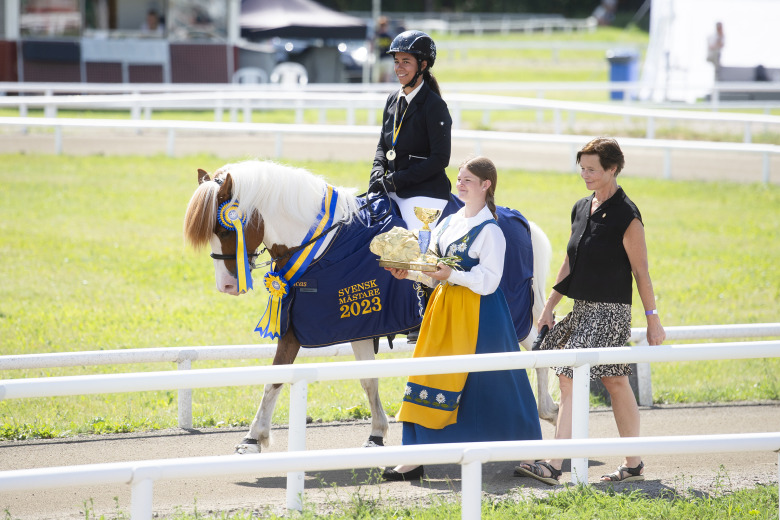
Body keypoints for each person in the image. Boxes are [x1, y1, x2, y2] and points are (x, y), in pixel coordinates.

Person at [381, 156, 543, 481]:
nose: (460, 184)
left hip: (482, 315)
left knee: (497, 382)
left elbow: (489, 280)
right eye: (459, 178)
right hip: (444, 311)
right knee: (427, 377)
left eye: (468, 179)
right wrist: (410, 273)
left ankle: (529, 452)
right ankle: (415, 455)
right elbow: (435, 272)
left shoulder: (492, 230)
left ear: (487, 185)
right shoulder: (449, 222)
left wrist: (451, 273)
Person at [514, 137, 665, 486]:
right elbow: (570, 260)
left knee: (569, 375)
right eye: (582, 168)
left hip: (611, 312)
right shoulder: (581, 207)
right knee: (615, 381)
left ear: (612, 169)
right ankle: (634, 464)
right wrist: (549, 307)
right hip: (581, 310)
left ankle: (553, 465)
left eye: (592, 169)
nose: (585, 174)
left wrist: (653, 319)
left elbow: (641, 273)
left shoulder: (628, 215)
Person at [368, 30, 452, 231]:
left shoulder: (435, 107)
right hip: (392, 188)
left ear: (422, 65)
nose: (399, 68)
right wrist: (377, 172)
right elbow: (383, 144)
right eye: (397, 61)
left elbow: (440, 159)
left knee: (412, 250)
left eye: (406, 61)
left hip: (424, 193)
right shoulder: (392, 99)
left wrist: (396, 180)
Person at [374, 16, 395, 83]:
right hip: (380, 59)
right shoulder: (377, 35)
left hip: (387, 59)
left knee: (387, 78)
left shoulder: (389, 35)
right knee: (378, 80)